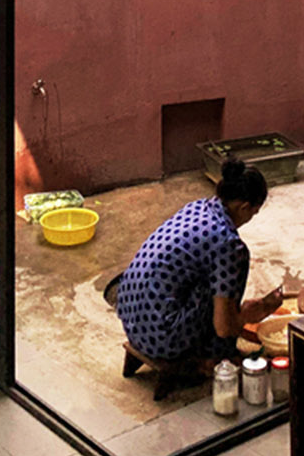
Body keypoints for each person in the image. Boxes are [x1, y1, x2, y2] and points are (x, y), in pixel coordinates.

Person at [115, 158, 285, 369]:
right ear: (244, 207)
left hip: (131, 318)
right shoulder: (228, 244)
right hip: (161, 339)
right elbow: (223, 327)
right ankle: (217, 354)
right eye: (253, 212)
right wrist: (247, 315)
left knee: (211, 275)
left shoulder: (197, 207)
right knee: (234, 268)